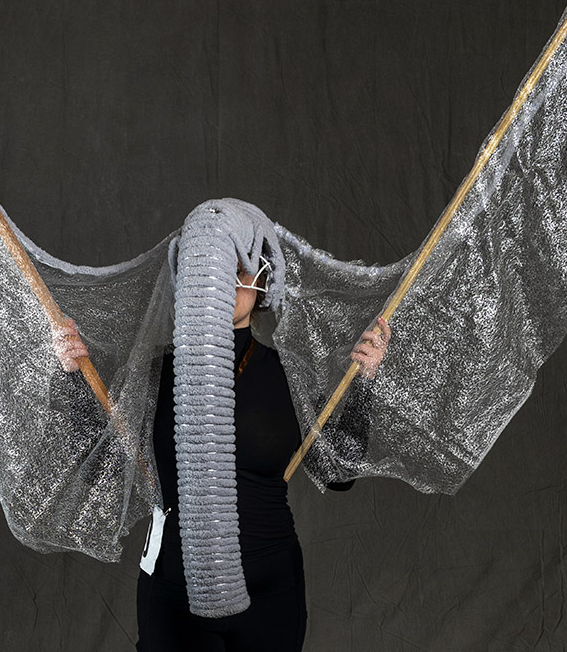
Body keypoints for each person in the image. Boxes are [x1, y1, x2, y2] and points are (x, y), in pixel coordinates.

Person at [52, 258, 391, 651]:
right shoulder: (154, 375)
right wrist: (72, 379)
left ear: (261, 282)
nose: (227, 282)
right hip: (174, 595)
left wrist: (363, 385)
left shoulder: (286, 375)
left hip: (271, 595)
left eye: (240, 269)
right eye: (211, 267)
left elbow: (338, 473)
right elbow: (100, 465)